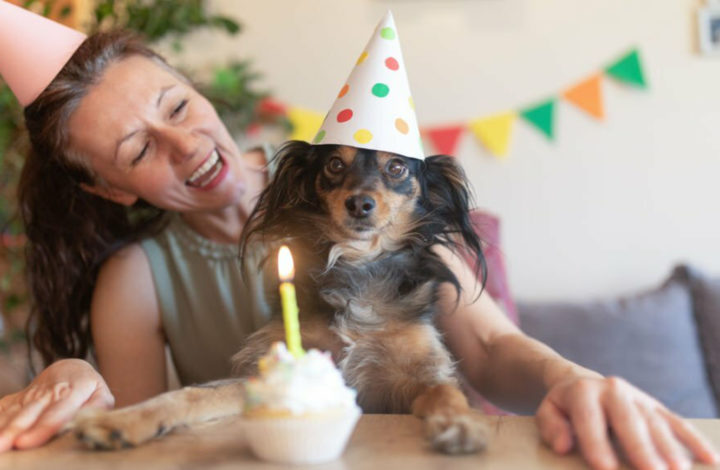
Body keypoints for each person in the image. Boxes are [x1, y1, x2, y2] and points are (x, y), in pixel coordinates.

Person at [0, 5, 716, 470]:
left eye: (177, 105)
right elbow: (137, 434)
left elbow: (491, 348)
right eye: (136, 151)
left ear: (199, 87)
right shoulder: (139, 276)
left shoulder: (389, 226)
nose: (183, 145)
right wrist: (79, 377)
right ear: (110, 189)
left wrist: (576, 381)